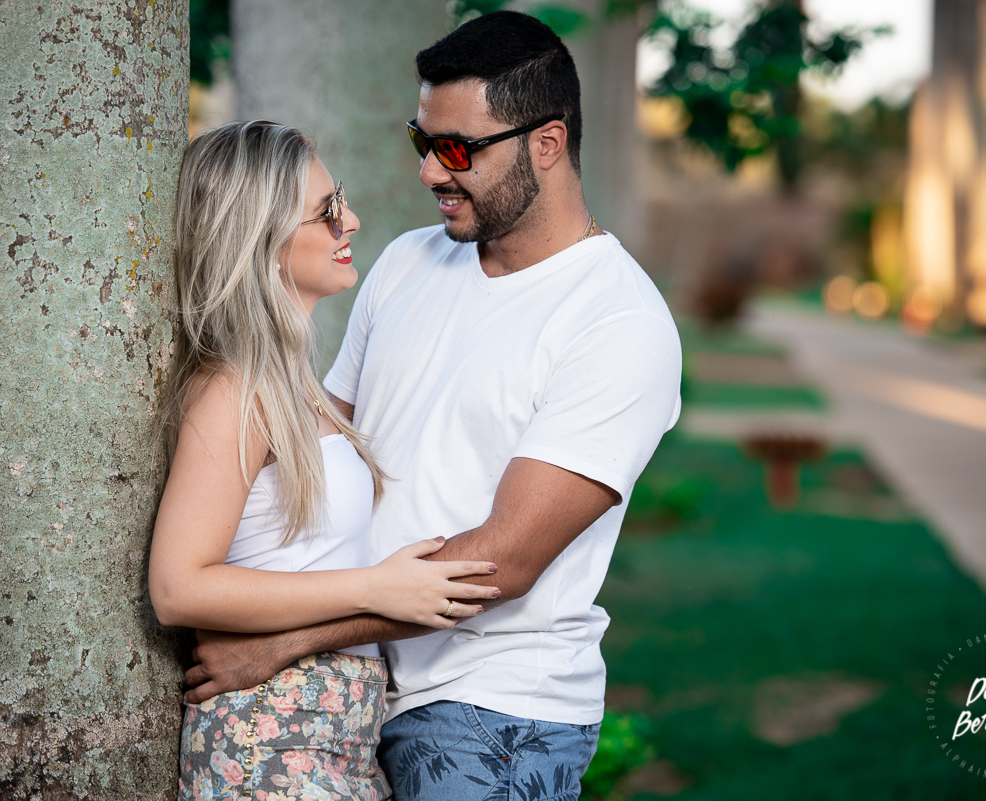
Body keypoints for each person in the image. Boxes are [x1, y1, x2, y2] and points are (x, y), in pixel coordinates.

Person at [183, 12, 683, 800]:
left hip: (491, 713)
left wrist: (287, 640)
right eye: (424, 141)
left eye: (456, 150)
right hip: (354, 697)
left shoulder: (618, 322)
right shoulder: (407, 262)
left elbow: (503, 561)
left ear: (547, 144)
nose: (428, 173)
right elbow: (321, 451)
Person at [148, 120, 500, 800]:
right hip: (271, 737)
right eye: (326, 211)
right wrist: (373, 589)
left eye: (341, 199)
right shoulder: (235, 390)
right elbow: (178, 587)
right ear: (260, 238)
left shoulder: (291, 381)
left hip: (333, 734)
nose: (351, 221)